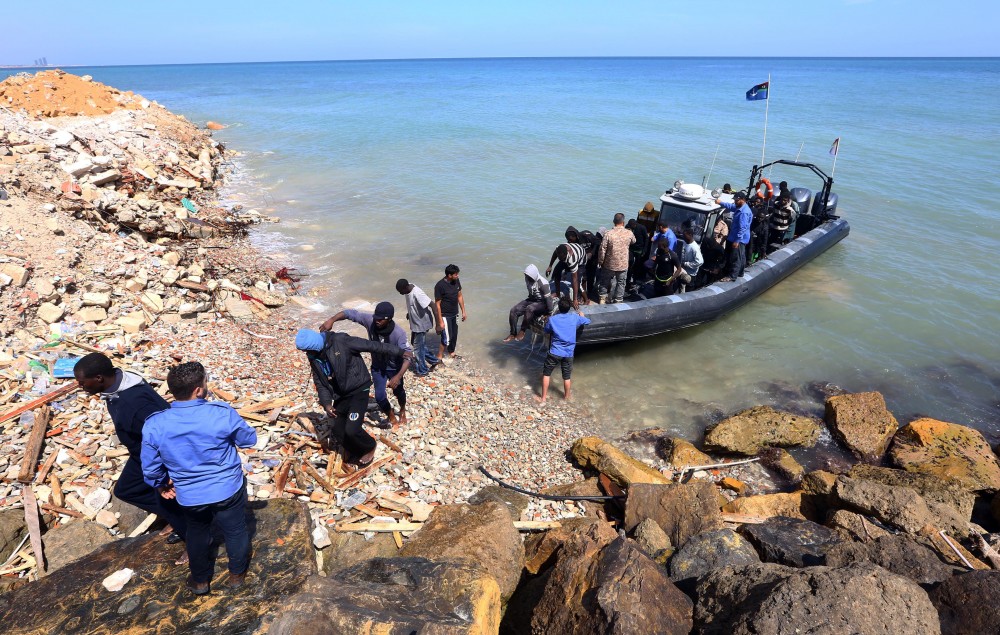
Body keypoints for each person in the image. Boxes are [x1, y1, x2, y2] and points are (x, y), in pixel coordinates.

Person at [141, 362, 256, 595]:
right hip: (227, 488)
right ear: (198, 390)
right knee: (235, 530)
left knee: (197, 532)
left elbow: (150, 466)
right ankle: (236, 575)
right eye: (205, 382)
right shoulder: (221, 413)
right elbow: (248, 440)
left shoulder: (155, 423)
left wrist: (161, 484)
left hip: (190, 494)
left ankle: (201, 581)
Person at [73, 353, 187, 553]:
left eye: (83, 383)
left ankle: (194, 531)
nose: (80, 386)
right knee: (126, 490)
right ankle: (177, 516)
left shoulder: (134, 401)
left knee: (164, 491)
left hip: (158, 455)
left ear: (99, 378)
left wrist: (168, 470)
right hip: (140, 452)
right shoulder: (116, 385)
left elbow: (166, 433)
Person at [295, 328, 408, 466]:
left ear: (314, 345)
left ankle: (370, 446)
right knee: (337, 430)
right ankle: (356, 451)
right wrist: (327, 404)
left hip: (359, 388)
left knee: (352, 429)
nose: (307, 354)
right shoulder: (314, 356)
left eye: (307, 350)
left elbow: (372, 345)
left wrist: (401, 352)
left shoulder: (341, 341)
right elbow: (320, 382)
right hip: (341, 393)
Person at [320, 302, 413, 426]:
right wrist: (331, 320)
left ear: (389, 319)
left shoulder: (399, 333)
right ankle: (391, 416)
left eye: (381, 319)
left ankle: (402, 410)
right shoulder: (371, 321)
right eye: (376, 317)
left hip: (394, 367)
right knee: (379, 396)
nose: (377, 321)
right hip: (378, 366)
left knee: (399, 392)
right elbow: (350, 313)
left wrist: (398, 376)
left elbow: (408, 356)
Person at [537, 297, 590, 403]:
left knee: (546, 374)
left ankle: (543, 399)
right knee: (566, 377)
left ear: (559, 308)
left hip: (554, 352)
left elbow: (546, 330)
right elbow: (588, 321)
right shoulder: (574, 318)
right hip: (568, 353)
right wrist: (582, 316)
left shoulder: (553, 319)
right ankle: (566, 398)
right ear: (569, 307)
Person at [396, 279, 440, 376]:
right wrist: (410, 313)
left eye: (401, 292)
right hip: (415, 322)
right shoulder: (408, 290)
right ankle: (434, 361)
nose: (400, 294)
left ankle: (423, 371)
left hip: (421, 324)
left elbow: (433, 306)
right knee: (417, 345)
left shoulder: (417, 293)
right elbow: (413, 304)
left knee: (417, 348)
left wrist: (438, 325)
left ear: (405, 287)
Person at [504, 264, 551, 342]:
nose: (527, 278)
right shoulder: (527, 279)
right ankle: (513, 333)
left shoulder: (543, 283)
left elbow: (548, 299)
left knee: (530, 308)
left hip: (542, 303)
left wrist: (549, 313)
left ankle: (522, 330)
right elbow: (531, 292)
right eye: (527, 276)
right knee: (514, 310)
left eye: (529, 277)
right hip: (532, 299)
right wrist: (528, 301)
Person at [597, 213, 636, 304]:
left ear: (614, 222)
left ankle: (602, 298)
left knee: (604, 281)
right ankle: (618, 300)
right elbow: (634, 241)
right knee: (621, 283)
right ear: (623, 222)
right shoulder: (629, 233)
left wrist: (600, 261)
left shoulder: (608, 234)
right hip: (622, 264)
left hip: (609, 263)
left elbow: (602, 249)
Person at [715, 191, 753, 281]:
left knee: (736, 257)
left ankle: (732, 276)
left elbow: (742, 228)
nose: (735, 202)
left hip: (738, 238)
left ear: (742, 200)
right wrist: (720, 202)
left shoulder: (744, 212)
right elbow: (731, 207)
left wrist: (737, 240)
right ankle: (740, 272)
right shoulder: (739, 207)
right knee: (741, 256)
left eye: (737, 200)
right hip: (734, 236)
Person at [545, 228, 588, 307]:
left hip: (581, 261)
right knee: (557, 273)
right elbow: (555, 254)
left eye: (562, 259)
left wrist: (574, 299)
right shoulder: (559, 248)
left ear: (566, 254)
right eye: (560, 259)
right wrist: (550, 266)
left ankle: (586, 299)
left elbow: (574, 279)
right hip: (566, 257)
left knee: (577, 282)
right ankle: (557, 293)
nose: (561, 260)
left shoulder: (572, 259)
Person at [434, 264, 467, 359]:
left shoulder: (456, 281)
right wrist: (440, 321)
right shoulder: (440, 286)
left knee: (454, 335)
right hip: (445, 315)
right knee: (446, 339)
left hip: (455, 313)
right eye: (456, 274)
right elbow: (437, 305)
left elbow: (459, 296)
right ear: (449, 275)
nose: (458, 276)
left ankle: (451, 351)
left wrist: (463, 311)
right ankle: (439, 357)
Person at [679, 224, 704, 292]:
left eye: (685, 236)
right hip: (683, 271)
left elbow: (700, 261)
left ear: (690, 235)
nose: (683, 237)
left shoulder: (694, 247)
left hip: (690, 274)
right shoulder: (684, 242)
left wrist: (686, 264)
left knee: (688, 288)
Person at [625, 219, 648, 289]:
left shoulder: (642, 228)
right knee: (629, 263)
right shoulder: (628, 227)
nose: (631, 228)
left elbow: (646, 238)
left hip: (639, 249)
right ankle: (628, 279)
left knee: (637, 265)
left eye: (632, 227)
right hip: (631, 248)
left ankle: (635, 280)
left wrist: (644, 250)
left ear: (635, 225)